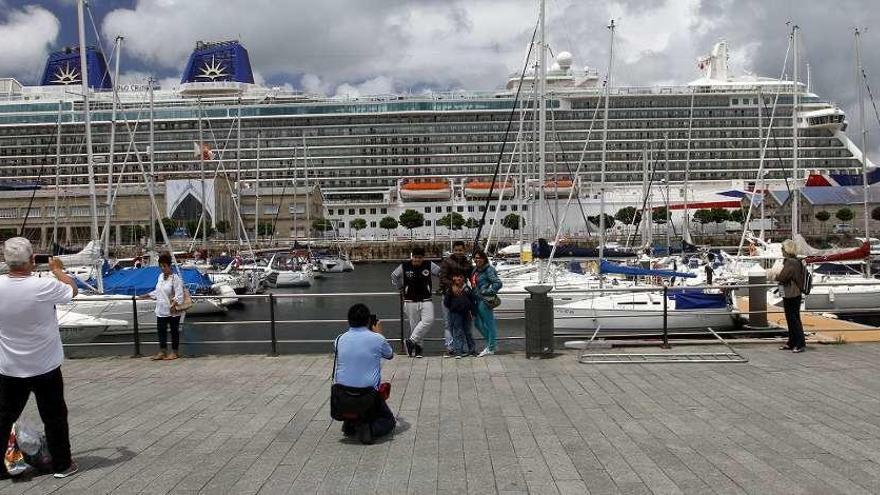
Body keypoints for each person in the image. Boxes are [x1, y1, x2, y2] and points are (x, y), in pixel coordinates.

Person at [0, 238, 78, 478]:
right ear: (32, 260)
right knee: (54, 417)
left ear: (6, 261)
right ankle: (62, 464)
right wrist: (57, 270)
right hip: (45, 365)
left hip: (9, 366)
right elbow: (72, 290)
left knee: (3, 417)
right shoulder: (42, 286)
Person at [333, 304, 396, 444]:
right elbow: (390, 354)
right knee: (389, 421)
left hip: (342, 395)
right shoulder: (377, 339)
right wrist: (379, 333)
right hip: (367, 396)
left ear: (349, 320)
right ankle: (368, 428)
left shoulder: (339, 339)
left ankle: (351, 422)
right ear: (368, 321)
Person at [390, 247, 440, 358]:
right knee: (415, 326)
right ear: (412, 256)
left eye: (420, 258)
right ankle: (418, 350)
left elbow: (441, 273)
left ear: (423, 257)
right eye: (415, 257)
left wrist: (442, 285)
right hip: (410, 300)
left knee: (429, 320)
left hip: (426, 299)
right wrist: (400, 287)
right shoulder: (404, 266)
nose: (417, 260)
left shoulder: (429, 265)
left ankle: (410, 341)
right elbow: (394, 275)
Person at [143, 252, 184, 361]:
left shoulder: (175, 279)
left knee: (174, 331)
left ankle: (175, 352)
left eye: (164, 266)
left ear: (169, 266)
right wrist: (146, 295)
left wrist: (174, 303)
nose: (162, 268)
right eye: (160, 266)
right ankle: (162, 351)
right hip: (161, 310)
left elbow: (179, 295)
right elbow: (158, 291)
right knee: (161, 331)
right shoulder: (160, 277)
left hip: (172, 311)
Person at [439, 241, 473, 356]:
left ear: (464, 250)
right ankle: (450, 347)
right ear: (453, 250)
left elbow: (470, 275)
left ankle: (459, 347)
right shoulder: (446, 262)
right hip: (449, 296)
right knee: (448, 323)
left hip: (462, 297)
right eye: (456, 250)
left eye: (460, 250)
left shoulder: (467, 263)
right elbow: (442, 277)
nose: (458, 252)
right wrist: (452, 285)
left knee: (462, 323)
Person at [776, 239, 806, 353]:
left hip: (791, 293)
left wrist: (774, 274)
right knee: (792, 318)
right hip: (793, 293)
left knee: (793, 319)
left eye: (782, 248)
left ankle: (799, 343)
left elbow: (783, 277)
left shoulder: (790, 262)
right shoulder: (795, 261)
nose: (781, 251)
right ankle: (792, 342)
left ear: (787, 249)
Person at [471, 250, 502, 357]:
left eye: (479, 257)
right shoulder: (476, 270)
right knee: (477, 323)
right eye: (475, 257)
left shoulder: (489, 269)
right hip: (477, 300)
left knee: (489, 324)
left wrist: (486, 291)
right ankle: (492, 343)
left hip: (485, 301)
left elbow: (498, 283)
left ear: (484, 258)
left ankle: (491, 347)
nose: (477, 259)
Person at [443, 273, 476, 358]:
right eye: (457, 277)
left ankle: (472, 350)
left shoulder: (467, 289)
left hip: (467, 313)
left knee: (468, 332)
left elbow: (472, 301)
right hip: (455, 313)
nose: (459, 279)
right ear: (453, 278)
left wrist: (473, 312)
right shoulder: (450, 289)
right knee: (458, 332)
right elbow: (446, 302)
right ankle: (459, 351)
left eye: (461, 277)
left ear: (464, 278)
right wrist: (453, 308)